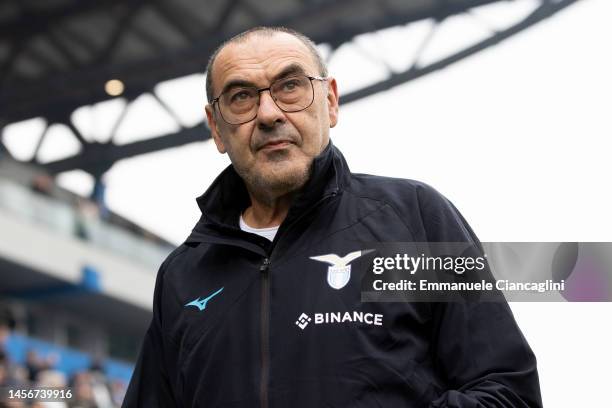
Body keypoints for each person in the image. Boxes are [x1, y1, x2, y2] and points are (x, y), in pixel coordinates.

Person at [123, 26, 542, 407]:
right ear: (216, 128)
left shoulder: (414, 218)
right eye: (241, 97)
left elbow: (508, 394)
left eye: (290, 86)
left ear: (330, 102)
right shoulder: (182, 275)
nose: (268, 114)